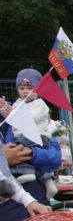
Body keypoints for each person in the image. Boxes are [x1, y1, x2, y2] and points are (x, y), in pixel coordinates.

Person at [0, 68, 62, 206]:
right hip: (10, 200)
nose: (25, 91)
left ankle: (47, 180)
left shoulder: (31, 106)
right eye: (21, 88)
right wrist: (3, 158)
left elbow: (55, 156)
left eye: (29, 88)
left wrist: (31, 153)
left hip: (34, 194)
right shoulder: (14, 108)